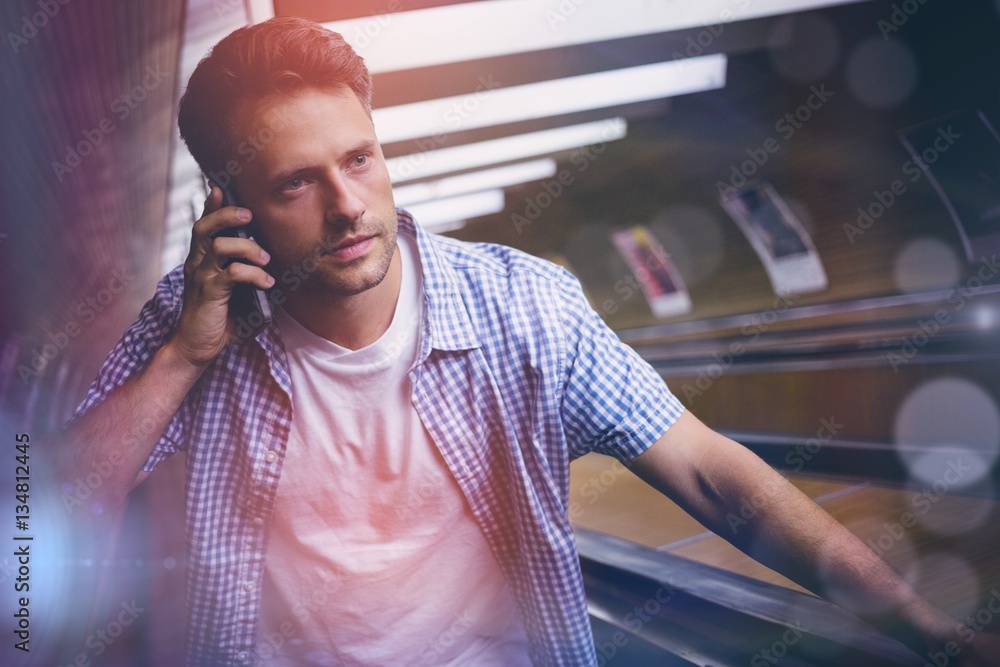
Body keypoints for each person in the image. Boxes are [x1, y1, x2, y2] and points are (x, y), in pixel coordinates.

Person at [58, 16, 1000, 667]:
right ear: (229, 207)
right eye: (298, 182)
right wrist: (184, 357)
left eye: (360, 158)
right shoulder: (190, 321)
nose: (350, 205)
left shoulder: (523, 307)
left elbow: (713, 474)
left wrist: (922, 624)